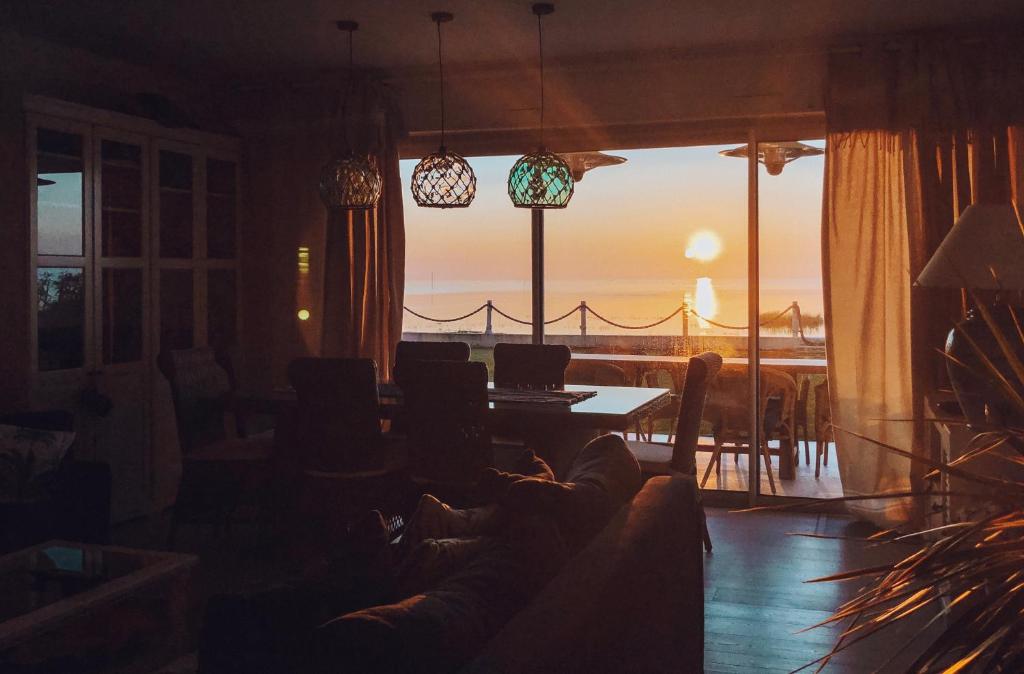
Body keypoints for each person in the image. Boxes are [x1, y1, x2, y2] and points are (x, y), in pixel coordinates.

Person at [199, 434, 641, 674]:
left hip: (413, 535)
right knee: (583, 474)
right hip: (504, 548)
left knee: (237, 615)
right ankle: (549, 496)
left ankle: (521, 500)